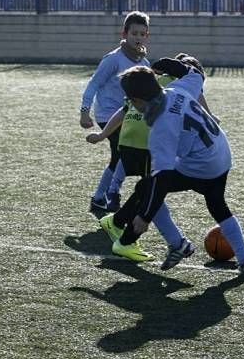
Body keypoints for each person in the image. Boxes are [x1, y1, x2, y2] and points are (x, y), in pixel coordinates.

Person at [108, 59, 244, 276]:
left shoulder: (161, 127)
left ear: (137, 101)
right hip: (221, 151)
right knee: (217, 205)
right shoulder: (176, 88)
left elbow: (162, 178)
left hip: (201, 164)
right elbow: (194, 72)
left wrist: (145, 216)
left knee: (146, 188)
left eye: (130, 100)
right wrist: (166, 64)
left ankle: (177, 243)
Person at [86, 54, 210, 262]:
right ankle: (170, 242)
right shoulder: (181, 86)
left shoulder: (151, 81)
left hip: (128, 142)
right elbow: (201, 114)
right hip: (146, 145)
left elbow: (123, 110)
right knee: (153, 192)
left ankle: (116, 220)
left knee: (147, 189)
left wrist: (102, 135)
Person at [80, 11, 151, 212]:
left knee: (123, 156)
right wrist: (84, 112)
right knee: (121, 155)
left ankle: (101, 197)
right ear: (124, 34)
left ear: (147, 36)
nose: (137, 37)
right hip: (108, 115)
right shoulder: (114, 59)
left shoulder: (144, 63)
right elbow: (94, 83)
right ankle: (109, 195)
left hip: (129, 116)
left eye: (142, 34)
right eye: (134, 33)